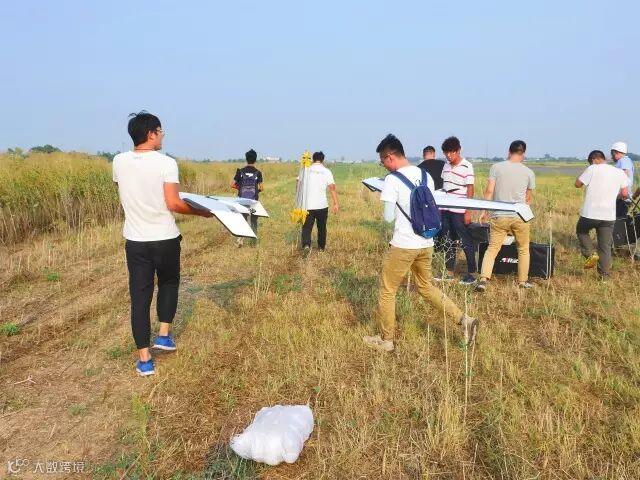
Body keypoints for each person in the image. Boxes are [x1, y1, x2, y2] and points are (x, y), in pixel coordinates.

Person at [112, 112, 212, 376]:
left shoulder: (118, 161)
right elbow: (174, 203)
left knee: (140, 297)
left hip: (135, 241)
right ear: (151, 134)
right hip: (165, 238)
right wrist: (202, 211)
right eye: (160, 131)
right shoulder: (166, 163)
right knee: (168, 282)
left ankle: (145, 360)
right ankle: (164, 336)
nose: (162, 136)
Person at [363, 134, 478, 353]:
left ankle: (387, 340)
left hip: (403, 244)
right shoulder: (425, 175)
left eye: (382, 161)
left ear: (389, 157)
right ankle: (464, 320)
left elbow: (388, 218)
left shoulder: (392, 180)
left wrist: (388, 196)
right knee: (426, 287)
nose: (383, 166)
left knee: (387, 290)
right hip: (426, 242)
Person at [475, 140, 535, 292]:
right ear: (523, 153)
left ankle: (483, 280)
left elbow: (489, 191)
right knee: (523, 249)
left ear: (509, 151)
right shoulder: (529, 172)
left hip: (499, 215)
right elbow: (528, 199)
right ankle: (522, 281)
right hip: (520, 216)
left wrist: (484, 211)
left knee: (492, 249)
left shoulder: (496, 167)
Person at [575, 150, 629, 279]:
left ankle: (590, 254)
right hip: (609, 215)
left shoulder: (593, 168)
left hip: (590, 213)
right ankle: (605, 277)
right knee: (605, 246)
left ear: (594, 160)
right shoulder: (619, 172)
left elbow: (577, 184)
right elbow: (625, 194)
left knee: (581, 231)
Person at [436, 136, 477, 285]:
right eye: (446, 152)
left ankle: (471, 274)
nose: (448, 155)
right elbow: (444, 186)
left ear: (458, 150)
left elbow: (470, 189)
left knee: (465, 241)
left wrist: (468, 211)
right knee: (448, 240)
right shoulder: (446, 166)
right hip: (445, 209)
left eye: (451, 152)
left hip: (459, 210)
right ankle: (449, 273)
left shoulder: (467, 166)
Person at [300, 151, 339, 253]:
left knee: (307, 227)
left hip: (307, 205)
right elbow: (332, 188)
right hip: (322, 205)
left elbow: (299, 184)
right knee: (322, 227)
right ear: (323, 160)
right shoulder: (326, 171)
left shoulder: (306, 170)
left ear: (313, 159)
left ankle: (306, 245)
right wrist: (335, 203)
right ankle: (321, 248)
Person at [231, 149, 264, 247]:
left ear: (246, 159)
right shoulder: (258, 173)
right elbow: (262, 188)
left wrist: (240, 187)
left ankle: (240, 240)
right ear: (255, 159)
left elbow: (232, 184)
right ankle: (253, 243)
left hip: (242, 200)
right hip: (253, 201)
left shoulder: (240, 171)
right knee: (253, 220)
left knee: (243, 219)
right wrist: (256, 191)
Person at [611, 141, 634, 218]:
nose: (612, 156)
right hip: (622, 197)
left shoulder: (623, 160)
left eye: (612, 154)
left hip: (623, 198)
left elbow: (624, 176)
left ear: (616, 152)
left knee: (619, 221)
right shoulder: (623, 161)